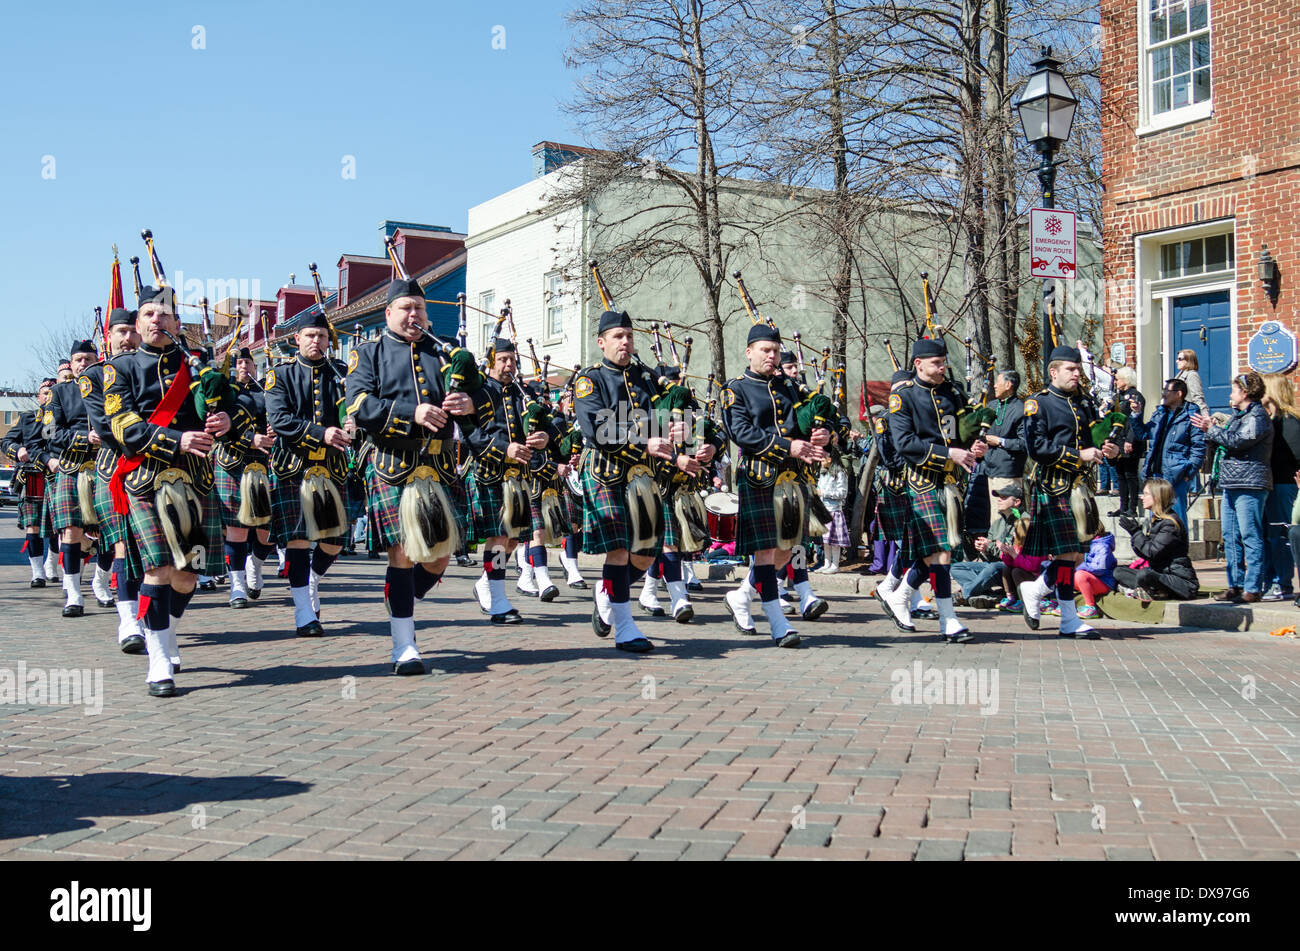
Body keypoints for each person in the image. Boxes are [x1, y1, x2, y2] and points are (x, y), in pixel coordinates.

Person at [345, 276, 489, 673]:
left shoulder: (444, 353)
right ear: (388, 313)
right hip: (394, 466)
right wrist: (413, 413)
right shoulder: (368, 353)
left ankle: (399, 596)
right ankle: (403, 645)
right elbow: (358, 403)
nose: (414, 316)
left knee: (440, 557)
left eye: (420, 309)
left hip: (440, 467)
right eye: (406, 309)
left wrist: (468, 402)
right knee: (405, 555)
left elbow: (482, 396)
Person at [103, 286, 236, 697]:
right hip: (145, 479)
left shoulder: (197, 365)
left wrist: (227, 418)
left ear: (178, 324)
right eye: (148, 314)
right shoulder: (120, 369)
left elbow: (232, 406)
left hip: (195, 481)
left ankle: (167, 629)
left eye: (164, 314)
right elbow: (122, 424)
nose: (156, 321)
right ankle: (158, 659)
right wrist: (174, 440)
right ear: (138, 323)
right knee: (158, 569)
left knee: (187, 574)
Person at [574, 309, 702, 652]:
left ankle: (607, 591)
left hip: (642, 476)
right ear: (601, 343)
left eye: (629, 336)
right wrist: (646, 436)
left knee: (645, 554)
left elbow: (670, 416)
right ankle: (625, 627)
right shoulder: (590, 380)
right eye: (618, 337)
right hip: (605, 471)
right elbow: (597, 428)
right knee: (618, 549)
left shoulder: (647, 379)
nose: (626, 342)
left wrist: (682, 427)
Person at [719, 323, 823, 647]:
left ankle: (742, 596)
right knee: (765, 552)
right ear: (749, 352)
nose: (772, 356)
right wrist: (786, 445)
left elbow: (812, 414)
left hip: (792, 478)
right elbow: (742, 433)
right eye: (766, 350)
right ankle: (778, 622)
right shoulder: (735, 389)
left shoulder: (789, 386)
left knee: (786, 551)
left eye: (775, 351)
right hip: (759, 477)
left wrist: (822, 433)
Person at [880, 337, 988, 642]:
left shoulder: (952, 393)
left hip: (950, 481)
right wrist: (948, 453)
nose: (943, 368)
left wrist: (972, 447)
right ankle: (948, 619)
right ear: (918, 364)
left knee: (940, 550)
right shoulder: (904, 398)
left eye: (944, 362)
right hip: (922, 479)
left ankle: (901, 595)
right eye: (936, 363)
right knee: (939, 550)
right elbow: (905, 444)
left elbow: (960, 430)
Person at [1017, 344, 1120, 637]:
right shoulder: (1039, 403)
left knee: (1073, 555)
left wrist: (1108, 450)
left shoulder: (1082, 403)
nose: (1077, 374)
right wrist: (1078, 455)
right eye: (1071, 369)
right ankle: (1068, 618)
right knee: (1067, 554)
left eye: (1078, 369)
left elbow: (1094, 438)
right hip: (1052, 486)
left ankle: (1035, 590)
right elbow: (1037, 448)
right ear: (1054, 372)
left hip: (1078, 488)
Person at [265, 312, 351, 636]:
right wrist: (322, 432)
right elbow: (280, 420)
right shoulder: (281, 375)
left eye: (323, 336)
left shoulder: (341, 373)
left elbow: (353, 408)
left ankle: (312, 578)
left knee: (334, 541)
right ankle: (303, 611)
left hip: (332, 468)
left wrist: (352, 423)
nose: (317, 342)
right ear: (297, 339)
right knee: (298, 539)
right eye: (310, 336)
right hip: (293, 468)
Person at [80, 309, 146, 652]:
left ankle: (154, 616)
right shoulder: (93, 375)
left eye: (132, 331)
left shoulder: (154, 367)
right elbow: (105, 425)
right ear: (108, 336)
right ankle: (129, 621)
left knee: (158, 552)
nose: (127, 338)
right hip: (116, 466)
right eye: (120, 331)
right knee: (123, 544)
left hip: (159, 466)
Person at [467, 337, 536, 622]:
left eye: (512, 360)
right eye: (503, 360)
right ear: (492, 362)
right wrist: (503, 448)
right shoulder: (479, 391)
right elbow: (472, 434)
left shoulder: (522, 393)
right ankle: (497, 599)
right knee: (498, 539)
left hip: (517, 475)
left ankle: (486, 581)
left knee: (512, 540)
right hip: (490, 472)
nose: (509, 365)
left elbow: (538, 429)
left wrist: (541, 439)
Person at [1192, 371, 1272, 603]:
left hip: (1250, 483)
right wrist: (1212, 430)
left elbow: (1238, 441)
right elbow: (1226, 438)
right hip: (1231, 481)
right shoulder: (1238, 416)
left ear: (1245, 393)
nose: (1230, 394)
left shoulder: (1257, 416)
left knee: (1250, 535)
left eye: (1234, 390)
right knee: (1230, 534)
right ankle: (1234, 584)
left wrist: (1213, 430)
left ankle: (1253, 587)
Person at [213, 347, 277, 608]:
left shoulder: (266, 391)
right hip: (232, 463)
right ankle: (237, 585)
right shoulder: (224, 391)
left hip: (263, 465)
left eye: (248, 363)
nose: (244, 367)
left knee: (266, 532)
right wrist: (250, 439)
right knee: (237, 530)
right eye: (239, 362)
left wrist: (276, 429)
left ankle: (256, 564)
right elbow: (216, 426)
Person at [47, 339, 105, 617]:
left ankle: (101, 582)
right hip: (73, 467)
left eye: (89, 359)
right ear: (71, 364)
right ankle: (73, 593)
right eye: (79, 359)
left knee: (110, 532)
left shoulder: (110, 387)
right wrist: (84, 437)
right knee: (70, 533)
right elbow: (50, 434)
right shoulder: (59, 392)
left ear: (98, 360)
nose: (84, 364)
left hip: (106, 467)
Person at [2, 378, 57, 587]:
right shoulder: (27, 418)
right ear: (38, 396)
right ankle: (37, 572)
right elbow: (6, 442)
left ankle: (51, 564)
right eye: (44, 392)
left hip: (58, 476)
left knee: (59, 527)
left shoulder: (63, 419)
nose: (48, 395)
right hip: (33, 477)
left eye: (52, 392)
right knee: (33, 526)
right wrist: (18, 450)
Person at [1115, 478, 1199, 601]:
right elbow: (1145, 554)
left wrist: (1136, 532)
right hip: (1159, 573)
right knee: (1118, 571)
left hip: (1180, 581)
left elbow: (1152, 552)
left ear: (1157, 497)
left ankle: (1146, 590)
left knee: (1145, 574)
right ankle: (1152, 590)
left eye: (1146, 494)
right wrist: (1135, 535)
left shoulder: (1170, 523)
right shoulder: (1157, 520)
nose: (1141, 497)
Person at [1135, 378, 1204, 526]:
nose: (1163, 394)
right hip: (1155, 473)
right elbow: (1142, 434)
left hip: (1176, 475)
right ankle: (1158, 548)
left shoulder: (1191, 415)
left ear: (1179, 394)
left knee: (1176, 519)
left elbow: (1198, 447)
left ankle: (1180, 548)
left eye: (1167, 390)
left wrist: (1188, 473)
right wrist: (1137, 415)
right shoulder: (1159, 413)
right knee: (1156, 519)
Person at [1259, 374, 1300, 601]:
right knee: (1270, 535)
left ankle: (1282, 584)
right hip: (1272, 485)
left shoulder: (1289, 421)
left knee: (1280, 535)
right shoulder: (1272, 420)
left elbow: (1296, 456)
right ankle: (1271, 580)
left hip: (1284, 486)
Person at [952, 482, 1022, 608]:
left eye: (1004, 498)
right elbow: (990, 554)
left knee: (993, 567)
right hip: (993, 567)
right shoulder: (997, 523)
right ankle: (987, 595)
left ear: (1017, 502)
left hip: (1012, 568)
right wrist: (983, 549)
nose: (999, 500)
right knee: (956, 567)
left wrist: (989, 546)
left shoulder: (1023, 521)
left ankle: (965, 594)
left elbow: (1011, 553)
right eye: (999, 497)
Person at [982, 370, 1026, 512]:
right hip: (990, 470)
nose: (994, 386)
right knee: (995, 519)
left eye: (997, 382)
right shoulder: (992, 406)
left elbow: (1025, 443)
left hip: (1009, 473)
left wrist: (1001, 441)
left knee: (1008, 517)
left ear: (1008, 385)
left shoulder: (1021, 409)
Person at [1112, 367, 1146, 517]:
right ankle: (1123, 506)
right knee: (1120, 474)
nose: (1116, 382)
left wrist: (1130, 440)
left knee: (1131, 474)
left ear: (1126, 380)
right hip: (1118, 440)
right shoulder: (1118, 396)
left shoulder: (1135, 396)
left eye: (1118, 379)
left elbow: (1134, 421)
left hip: (1130, 440)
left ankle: (1132, 507)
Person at [815, 449, 849, 573]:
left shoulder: (840, 473)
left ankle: (835, 565)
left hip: (834, 510)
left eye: (822, 458)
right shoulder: (823, 473)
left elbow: (842, 493)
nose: (820, 461)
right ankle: (826, 563)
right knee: (825, 540)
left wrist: (823, 493)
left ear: (829, 459)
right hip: (823, 510)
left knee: (834, 540)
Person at [1073, 531, 1117, 619]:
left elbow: (1100, 569)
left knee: (1080, 575)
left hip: (1104, 583)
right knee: (1062, 573)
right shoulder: (1089, 544)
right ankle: (1065, 605)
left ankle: (1090, 607)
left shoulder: (1103, 546)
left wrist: (1079, 566)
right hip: (1092, 580)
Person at [1175, 349, 1207, 414]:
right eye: (1177, 359)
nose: (1177, 361)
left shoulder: (1192, 375)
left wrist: (1204, 415)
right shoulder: (1179, 375)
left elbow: (1197, 397)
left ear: (1188, 360)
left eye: (1180, 359)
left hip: (1187, 414)